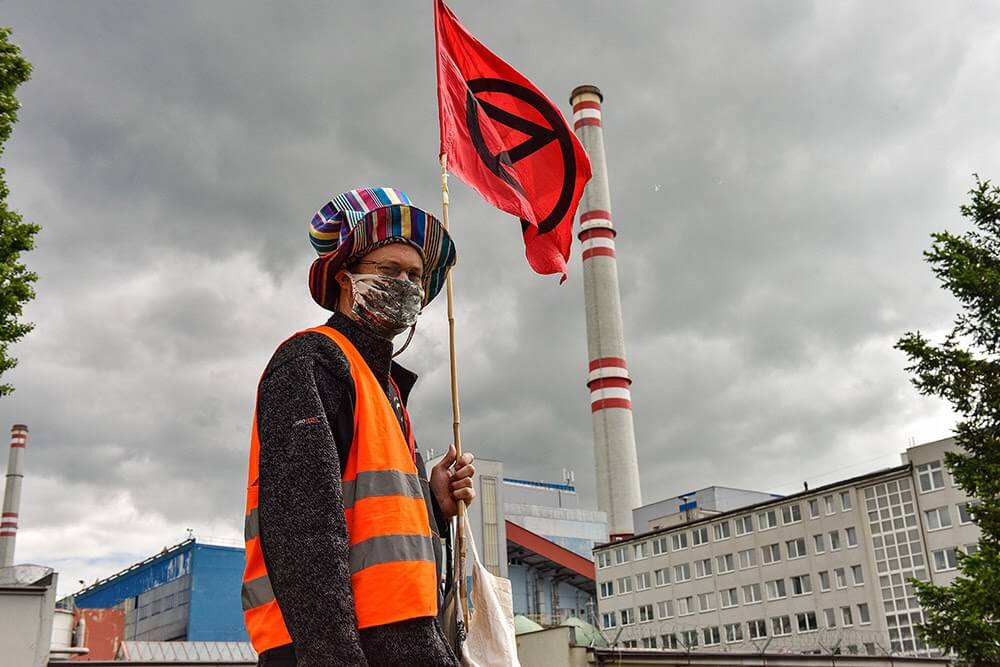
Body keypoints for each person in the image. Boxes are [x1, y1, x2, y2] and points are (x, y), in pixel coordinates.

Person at [242, 187, 475, 666]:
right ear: (345, 279)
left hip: (402, 642)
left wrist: (433, 506)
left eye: (415, 275)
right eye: (389, 270)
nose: (406, 285)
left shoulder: (382, 386)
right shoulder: (312, 361)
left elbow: (374, 531)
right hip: (344, 648)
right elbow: (304, 528)